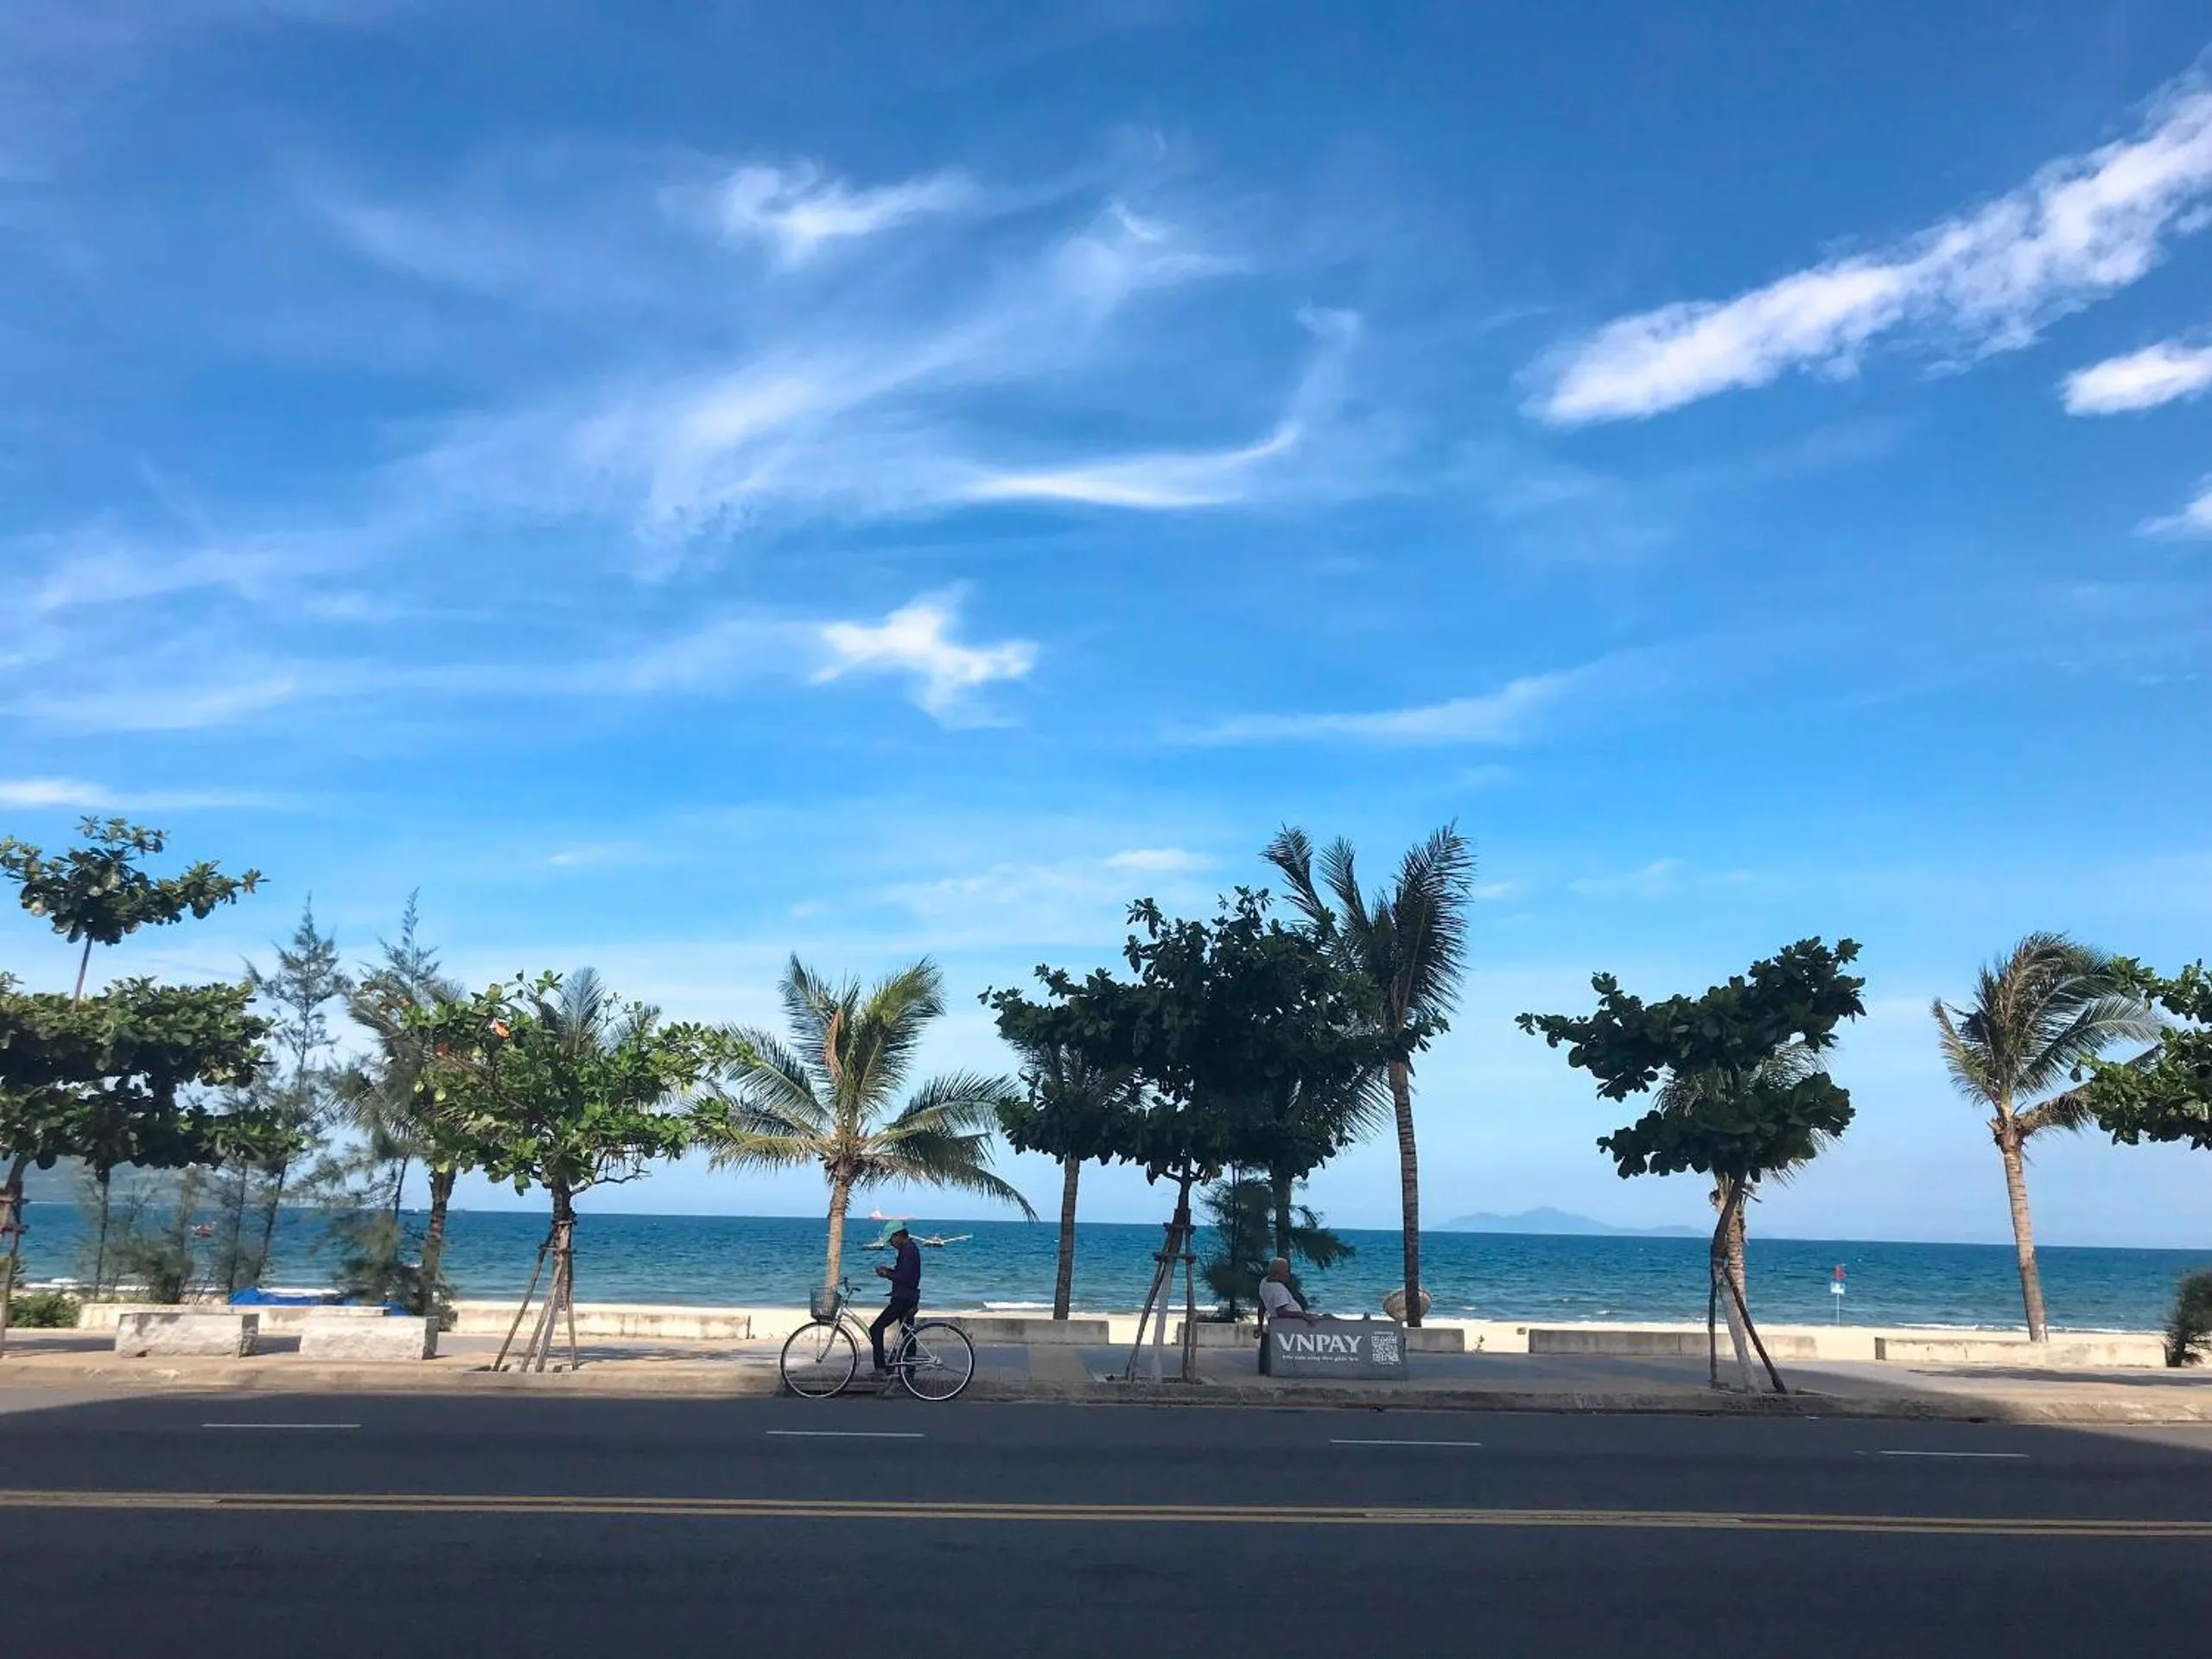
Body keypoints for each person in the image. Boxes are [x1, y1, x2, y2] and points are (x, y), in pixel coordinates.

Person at [870, 1223, 923, 1374]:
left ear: (898, 1235)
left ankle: (881, 1368)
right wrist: (889, 1272)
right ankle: (909, 1373)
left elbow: (904, 1277)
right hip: (909, 1296)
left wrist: (886, 1273)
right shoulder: (909, 1248)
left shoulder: (908, 1250)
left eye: (891, 1240)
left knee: (876, 1329)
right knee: (907, 1334)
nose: (890, 1244)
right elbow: (906, 1275)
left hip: (904, 1299)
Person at [1256, 1256, 1318, 1327]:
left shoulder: (1264, 1282)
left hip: (1284, 1324)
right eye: (1286, 1271)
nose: (1288, 1275)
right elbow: (1281, 1312)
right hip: (1293, 1325)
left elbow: (1262, 1306)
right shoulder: (1278, 1288)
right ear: (1277, 1273)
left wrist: (1260, 1326)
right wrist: (1302, 1315)